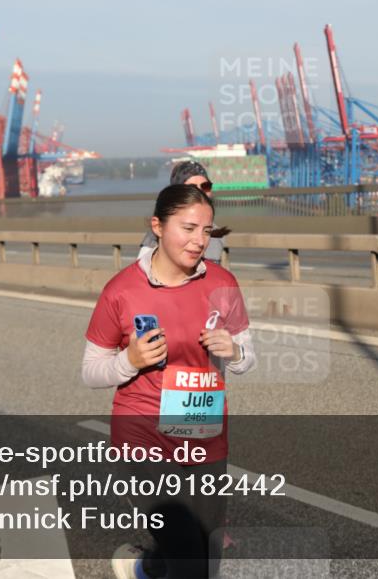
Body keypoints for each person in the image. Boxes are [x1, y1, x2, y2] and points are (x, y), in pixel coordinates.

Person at [83, 184, 256, 579]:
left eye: (206, 232)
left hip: (205, 432)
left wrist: (235, 352)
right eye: (189, 228)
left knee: (207, 560)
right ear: (157, 226)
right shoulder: (122, 290)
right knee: (190, 561)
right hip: (144, 434)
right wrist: (129, 360)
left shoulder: (222, 284)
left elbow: (248, 358)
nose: (199, 242)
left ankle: (143, 565)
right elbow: (91, 370)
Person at [138, 160, 229, 264]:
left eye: (205, 186)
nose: (200, 192)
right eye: (192, 187)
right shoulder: (158, 234)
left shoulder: (217, 233)